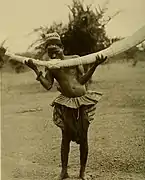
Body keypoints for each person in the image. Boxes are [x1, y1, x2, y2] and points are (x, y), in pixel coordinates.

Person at [0, 32, 107, 180]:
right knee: (65, 138)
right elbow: (48, 85)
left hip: (82, 101)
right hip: (67, 103)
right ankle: (64, 172)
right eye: (50, 52)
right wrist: (35, 70)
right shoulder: (51, 67)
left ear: (62, 48)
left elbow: (82, 80)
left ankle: (82, 173)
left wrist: (95, 65)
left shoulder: (75, 59)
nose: (53, 54)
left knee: (84, 138)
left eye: (55, 50)